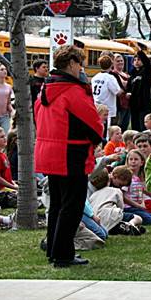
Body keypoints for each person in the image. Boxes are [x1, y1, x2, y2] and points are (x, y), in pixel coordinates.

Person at [35, 45, 103, 267]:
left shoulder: (46, 89)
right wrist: (95, 140)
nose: (81, 68)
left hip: (49, 152)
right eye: (80, 63)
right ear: (72, 63)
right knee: (71, 207)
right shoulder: (72, 91)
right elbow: (93, 125)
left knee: (56, 205)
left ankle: (54, 250)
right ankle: (63, 254)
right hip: (70, 153)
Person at [91, 55, 123, 129]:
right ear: (111, 65)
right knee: (108, 130)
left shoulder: (95, 77)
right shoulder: (110, 78)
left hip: (97, 107)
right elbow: (117, 92)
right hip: (108, 109)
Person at [129, 46, 151, 132]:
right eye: (135, 60)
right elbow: (129, 87)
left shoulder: (146, 71)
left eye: (138, 60)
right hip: (134, 104)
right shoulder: (132, 74)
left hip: (144, 103)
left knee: (143, 126)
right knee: (135, 127)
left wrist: (140, 52)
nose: (136, 62)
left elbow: (147, 63)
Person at [110, 53, 131, 131]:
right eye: (117, 61)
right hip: (119, 105)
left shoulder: (126, 74)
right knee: (119, 126)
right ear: (113, 62)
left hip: (128, 104)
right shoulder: (113, 74)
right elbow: (124, 85)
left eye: (121, 61)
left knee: (125, 126)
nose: (120, 62)